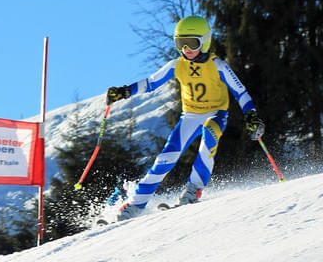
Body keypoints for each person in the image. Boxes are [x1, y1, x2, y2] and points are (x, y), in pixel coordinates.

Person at [106, 16, 265, 221]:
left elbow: (241, 93)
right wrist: (125, 91)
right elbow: (151, 83)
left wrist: (251, 115)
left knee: (209, 136)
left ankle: (193, 190)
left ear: (205, 42)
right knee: (166, 158)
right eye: (181, 43)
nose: (186, 49)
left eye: (192, 43)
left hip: (215, 115)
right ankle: (137, 203)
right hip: (189, 116)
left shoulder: (218, 66)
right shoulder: (177, 65)